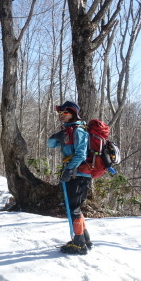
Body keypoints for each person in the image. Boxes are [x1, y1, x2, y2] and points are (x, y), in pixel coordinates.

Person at [47, 101, 92, 255]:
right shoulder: (68, 130)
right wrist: (57, 136)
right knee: (75, 208)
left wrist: (69, 169)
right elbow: (51, 145)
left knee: (73, 209)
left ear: (73, 113)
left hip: (79, 175)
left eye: (65, 113)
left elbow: (81, 154)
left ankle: (79, 244)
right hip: (74, 173)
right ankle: (84, 239)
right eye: (60, 113)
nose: (61, 115)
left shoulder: (78, 131)